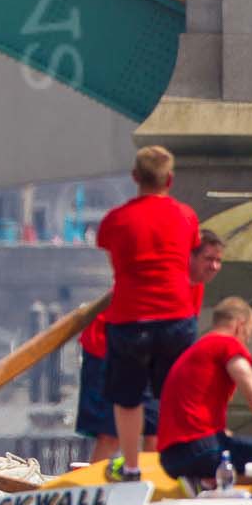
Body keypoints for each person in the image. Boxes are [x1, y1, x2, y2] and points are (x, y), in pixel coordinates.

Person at [95, 145, 203, 482]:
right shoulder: (186, 216)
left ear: (134, 177)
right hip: (176, 314)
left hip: (131, 317)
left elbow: (107, 245)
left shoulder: (116, 220)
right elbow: (191, 246)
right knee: (175, 395)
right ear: (169, 179)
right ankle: (181, 466)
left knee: (128, 398)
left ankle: (131, 467)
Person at [79, 231, 226, 461]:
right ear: (190, 257)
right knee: (111, 435)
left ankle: (152, 486)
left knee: (155, 431)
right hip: (108, 350)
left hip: (150, 358)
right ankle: (90, 491)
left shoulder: (195, 286)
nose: (215, 267)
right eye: (209, 259)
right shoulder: (162, 276)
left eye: (218, 261)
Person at [155, 297, 252, 486]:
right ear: (240, 326)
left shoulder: (196, 351)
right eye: (250, 332)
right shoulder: (227, 344)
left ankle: (207, 482)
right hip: (201, 449)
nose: (248, 340)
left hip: (171, 458)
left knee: (241, 450)